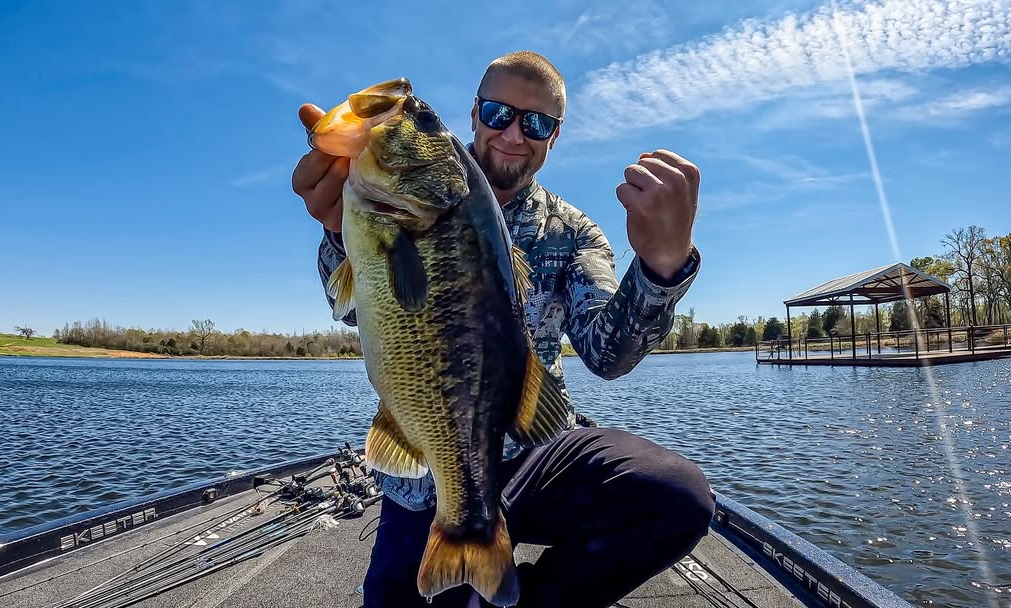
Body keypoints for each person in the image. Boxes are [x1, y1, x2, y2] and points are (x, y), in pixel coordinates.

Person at [292, 50, 715, 608]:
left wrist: (663, 266)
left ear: (554, 136)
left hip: (535, 450)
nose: (514, 134)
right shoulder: (390, 195)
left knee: (677, 496)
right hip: (427, 470)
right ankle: (470, 542)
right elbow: (351, 309)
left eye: (536, 122)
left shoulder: (574, 232)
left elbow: (607, 353)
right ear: (474, 114)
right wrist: (340, 230)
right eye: (498, 114)